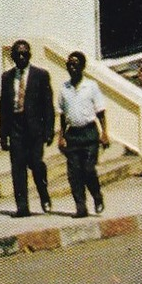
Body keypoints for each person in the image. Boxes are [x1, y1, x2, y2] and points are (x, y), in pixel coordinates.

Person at [0, 39, 54, 216]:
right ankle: (22, 206)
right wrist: (3, 134)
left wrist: (49, 131)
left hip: (35, 129)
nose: (21, 57)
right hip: (16, 128)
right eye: (18, 54)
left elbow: (48, 105)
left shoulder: (41, 75)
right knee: (18, 168)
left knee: (36, 164)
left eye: (25, 54)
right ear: (13, 57)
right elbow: (3, 107)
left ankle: (43, 194)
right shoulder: (7, 77)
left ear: (30, 55)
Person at [57, 50, 108, 219]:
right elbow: (63, 114)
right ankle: (80, 206)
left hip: (89, 133)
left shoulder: (91, 86)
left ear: (82, 67)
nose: (72, 68)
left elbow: (100, 111)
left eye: (76, 65)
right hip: (73, 135)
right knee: (74, 173)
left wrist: (105, 132)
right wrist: (61, 135)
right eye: (69, 65)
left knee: (88, 169)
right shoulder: (64, 88)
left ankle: (97, 196)